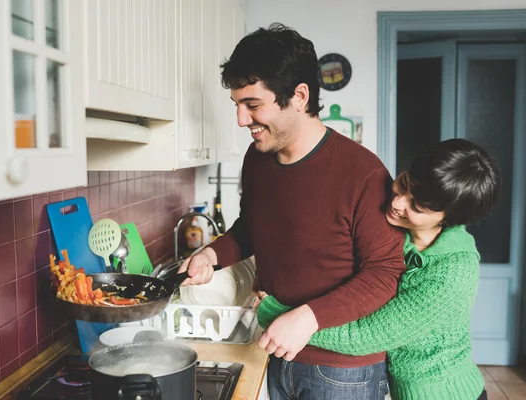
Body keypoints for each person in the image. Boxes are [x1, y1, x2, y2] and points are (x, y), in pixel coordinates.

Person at [178, 23, 406, 399]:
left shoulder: (362, 173)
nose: (241, 120)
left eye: (252, 105)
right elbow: (253, 227)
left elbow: (385, 274)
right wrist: (212, 254)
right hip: (276, 349)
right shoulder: (258, 157)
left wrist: (307, 318)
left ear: (299, 96)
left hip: (342, 371)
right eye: (237, 105)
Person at [255, 138, 501, 400]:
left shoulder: (452, 273)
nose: (398, 202)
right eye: (404, 183)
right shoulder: (396, 233)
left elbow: (366, 336)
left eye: (416, 207)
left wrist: (279, 314)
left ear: (447, 219)